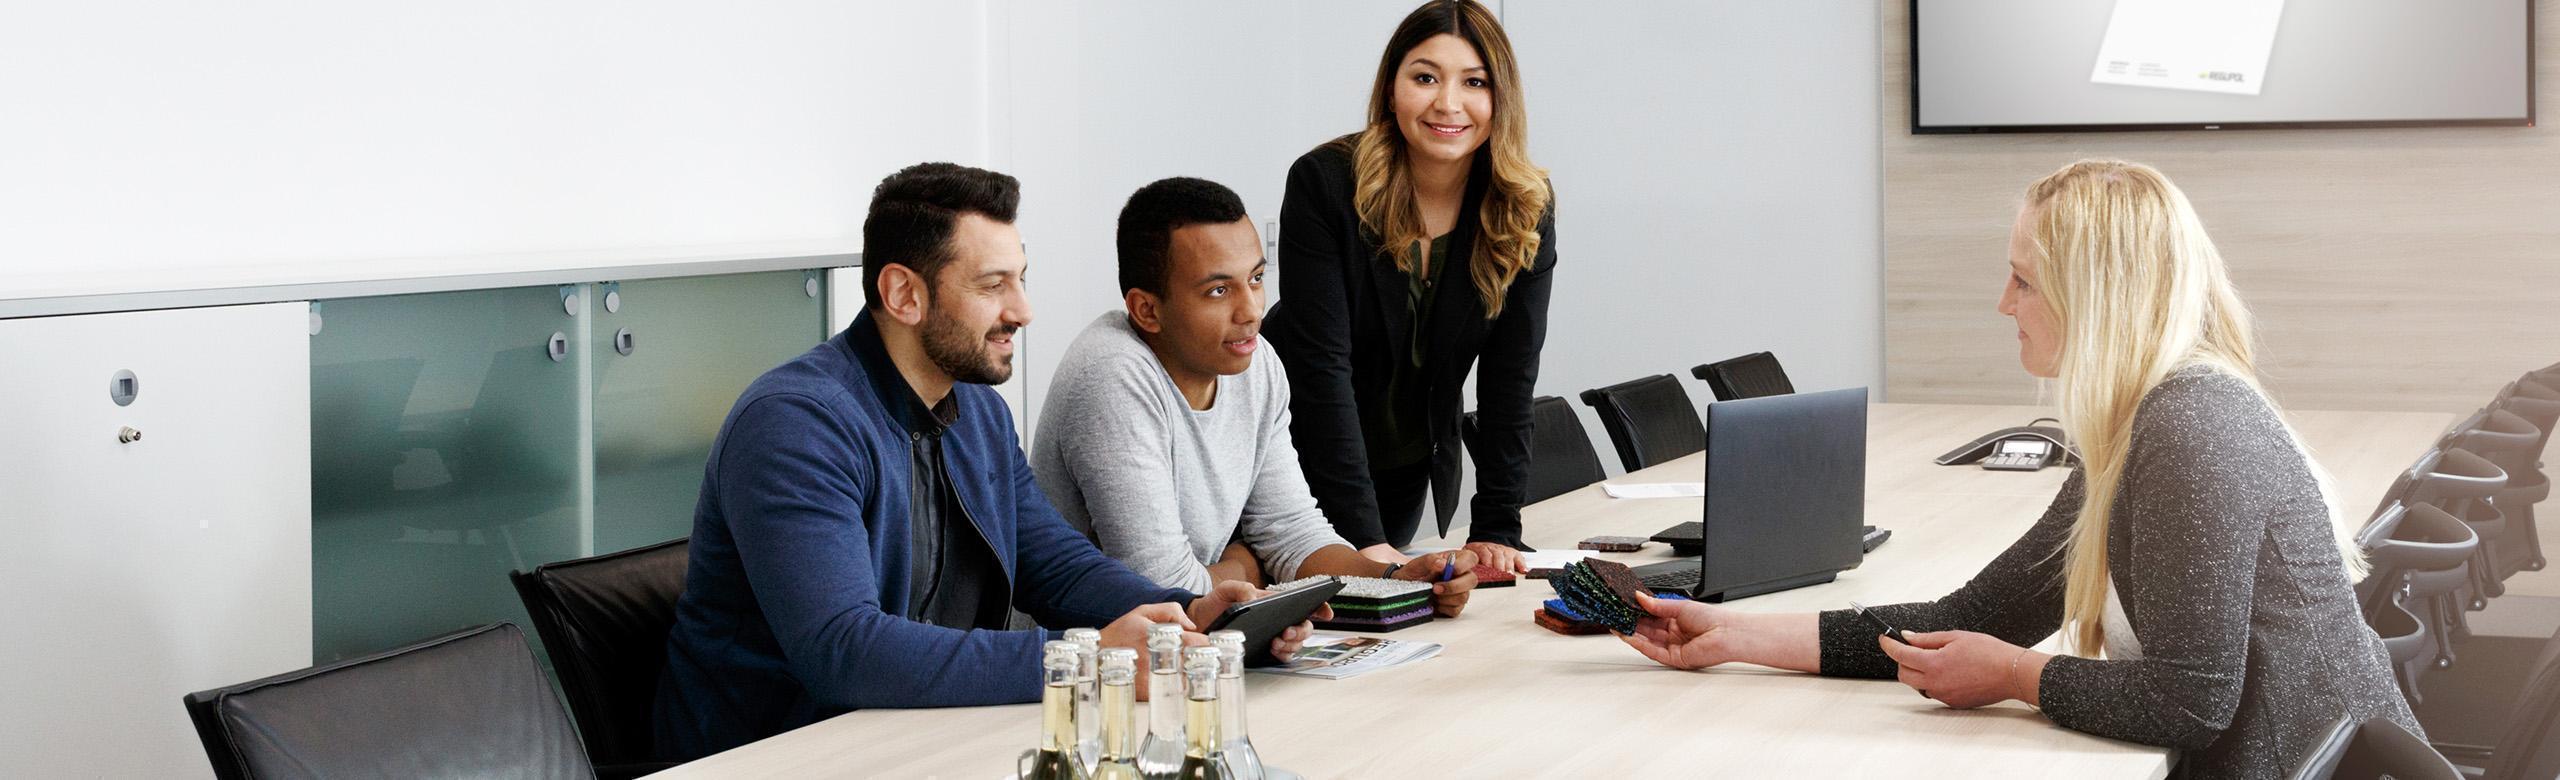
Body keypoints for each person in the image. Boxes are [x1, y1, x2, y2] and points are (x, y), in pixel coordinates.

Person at [1617, 160, 2418, 778]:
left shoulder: (2190, 427)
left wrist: (2018, 676)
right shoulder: (2142, 421)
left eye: (2025, 280)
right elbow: (1978, 611)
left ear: (2094, 297)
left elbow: (2189, 701)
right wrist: (1731, 635)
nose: (2004, 303)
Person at [654, 163, 1311, 760]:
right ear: (903, 295)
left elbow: (1052, 566)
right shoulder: (796, 423)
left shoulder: (977, 410)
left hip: (919, 739)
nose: (1022, 311)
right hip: (774, 757)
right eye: (993, 285)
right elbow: (843, 653)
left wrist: (1185, 613)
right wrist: (1086, 656)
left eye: (1021, 279)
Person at [1031, 177, 1478, 616]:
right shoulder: (1112, 374)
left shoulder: (1255, 360)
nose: (1251, 311)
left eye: (1257, 278)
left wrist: (1393, 580)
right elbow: (1166, 591)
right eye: (1219, 290)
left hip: (1198, 648)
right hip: (1086, 668)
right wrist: (1253, 564)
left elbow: (1292, 533)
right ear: (1147, 310)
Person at [1262, 0, 1557, 573]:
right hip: (1298, 464)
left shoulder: (1523, 206)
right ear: (1391, 88)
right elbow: (1323, 370)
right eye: (1425, 77)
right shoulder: (1326, 183)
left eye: (1474, 82)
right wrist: (1364, 544)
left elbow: (1510, 377)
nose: (1448, 103)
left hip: (1405, 468)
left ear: (1501, 98)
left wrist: (1497, 525)